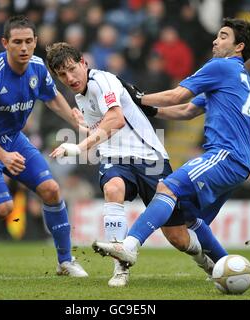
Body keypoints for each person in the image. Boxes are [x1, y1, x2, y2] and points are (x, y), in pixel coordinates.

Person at [92, 18, 250, 270]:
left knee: (167, 188)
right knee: (191, 218)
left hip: (224, 155)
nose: (215, 40)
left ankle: (128, 246)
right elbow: (187, 111)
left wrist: (136, 97)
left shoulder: (221, 67)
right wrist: (151, 110)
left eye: (223, 36)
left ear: (239, 47)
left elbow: (178, 95)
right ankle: (227, 266)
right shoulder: (239, 78)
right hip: (239, 163)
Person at [45, 42, 213, 287]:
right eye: (62, 74)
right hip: (115, 158)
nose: (69, 78)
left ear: (84, 63)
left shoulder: (103, 81)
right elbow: (100, 128)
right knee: (112, 188)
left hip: (150, 158)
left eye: (72, 69)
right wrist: (83, 127)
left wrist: (81, 147)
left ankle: (206, 261)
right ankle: (120, 268)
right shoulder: (81, 96)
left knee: (177, 237)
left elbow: (116, 119)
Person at [0, 16, 88, 277]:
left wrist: (76, 121)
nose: (24, 47)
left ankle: (65, 262)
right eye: (17, 42)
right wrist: (3, 156)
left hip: (13, 138)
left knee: (52, 190)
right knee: (2, 210)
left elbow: (52, 97)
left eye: (29, 41)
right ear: (5, 43)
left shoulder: (37, 67)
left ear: (35, 42)